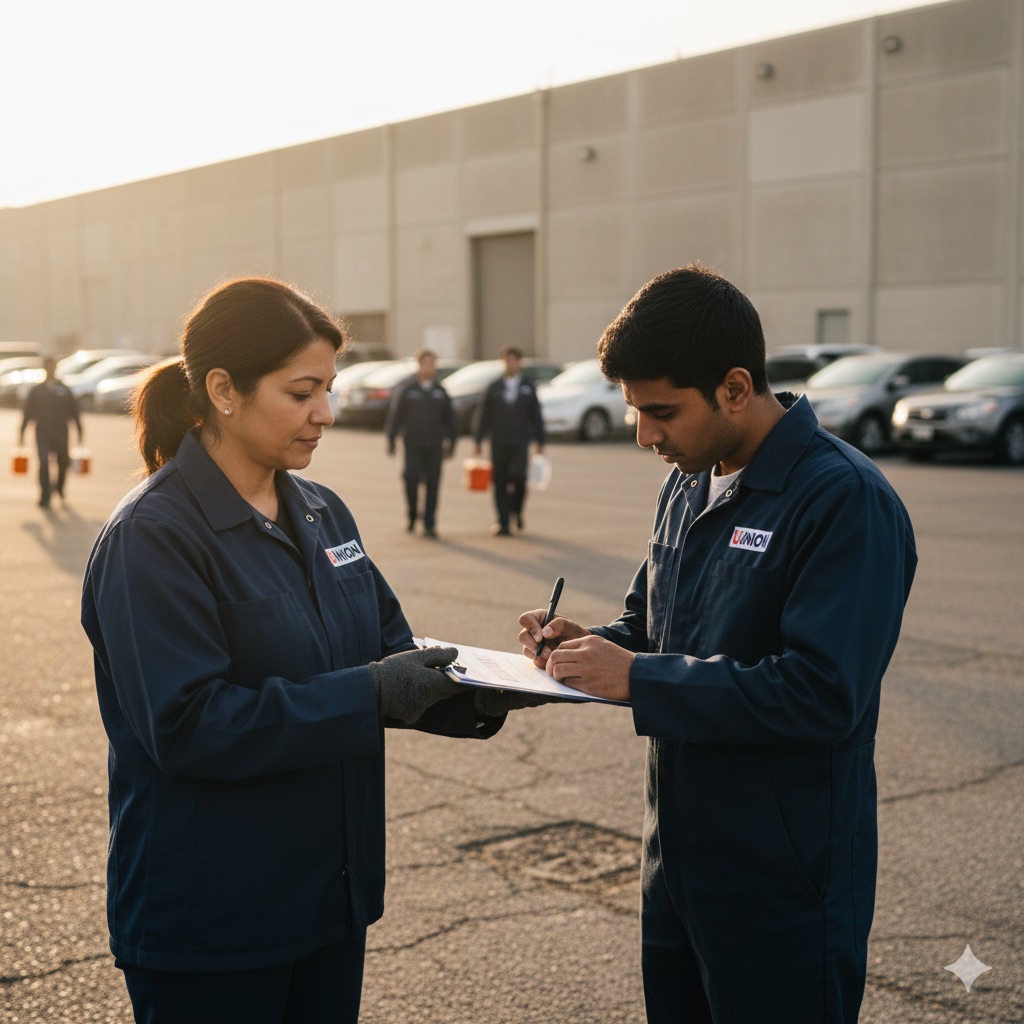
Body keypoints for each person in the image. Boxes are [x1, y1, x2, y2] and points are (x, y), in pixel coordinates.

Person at [80, 277, 537, 1024]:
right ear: (223, 390)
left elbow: (389, 649)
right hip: (216, 923)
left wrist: (495, 683)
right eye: (301, 393)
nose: (325, 413)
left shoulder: (323, 510)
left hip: (329, 902)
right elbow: (188, 725)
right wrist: (373, 693)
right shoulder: (153, 537)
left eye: (329, 388)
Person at [518, 264, 918, 1024]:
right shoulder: (688, 480)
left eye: (661, 412)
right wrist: (586, 646)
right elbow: (652, 627)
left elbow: (821, 694)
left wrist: (638, 679)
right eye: (634, 411)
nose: (644, 436)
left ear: (735, 388)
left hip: (783, 885)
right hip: (676, 866)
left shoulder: (844, 500)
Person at [472, 345, 546, 536]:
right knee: (500, 480)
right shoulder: (494, 387)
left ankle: (517, 511)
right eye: (507, 361)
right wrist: (478, 440)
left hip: (520, 441)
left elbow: (536, 415)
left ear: (519, 362)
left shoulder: (528, 387)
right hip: (499, 440)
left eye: (514, 360)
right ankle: (502, 521)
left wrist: (540, 441)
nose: (511, 364)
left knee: (519, 478)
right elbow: (483, 415)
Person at [384, 348, 457, 539]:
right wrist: (391, 439)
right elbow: (395, 417)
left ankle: (430, 523)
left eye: (431, 364)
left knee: (433, 484)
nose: (428, 367)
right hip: (413, 445)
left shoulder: (441, 392)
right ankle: (412, 515)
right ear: (418, 365)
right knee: (411, 479)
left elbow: (450, 420)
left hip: (434, 446)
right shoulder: (408, 390)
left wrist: (452, 442)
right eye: (425, 363)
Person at [19, 355, 83, 508]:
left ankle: (59, 489)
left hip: (61, 433)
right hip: (42, 434)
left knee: (63, 463)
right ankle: (45, 495)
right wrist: (21, 432)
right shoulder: (37, 391)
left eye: (52, 366)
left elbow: (74, 412)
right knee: (44, 463)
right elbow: (27, 413)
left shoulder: (64, 390)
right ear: (44, 369)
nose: (50, 369)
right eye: (47, 366)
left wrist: (80, 431)